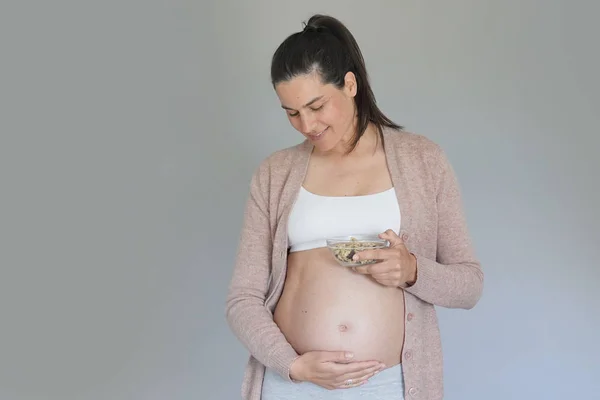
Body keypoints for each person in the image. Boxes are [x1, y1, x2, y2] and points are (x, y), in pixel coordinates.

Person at [225, 14, 483, 400]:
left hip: (389, 386)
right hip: (292, 385)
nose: (306, 124)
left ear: (349, 84)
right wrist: (291, 365)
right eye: (292, 113)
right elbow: (242, 299)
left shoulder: (422, 159)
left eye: (316, 106)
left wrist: (413, 270)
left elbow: (470, 286)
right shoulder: (275, 173)